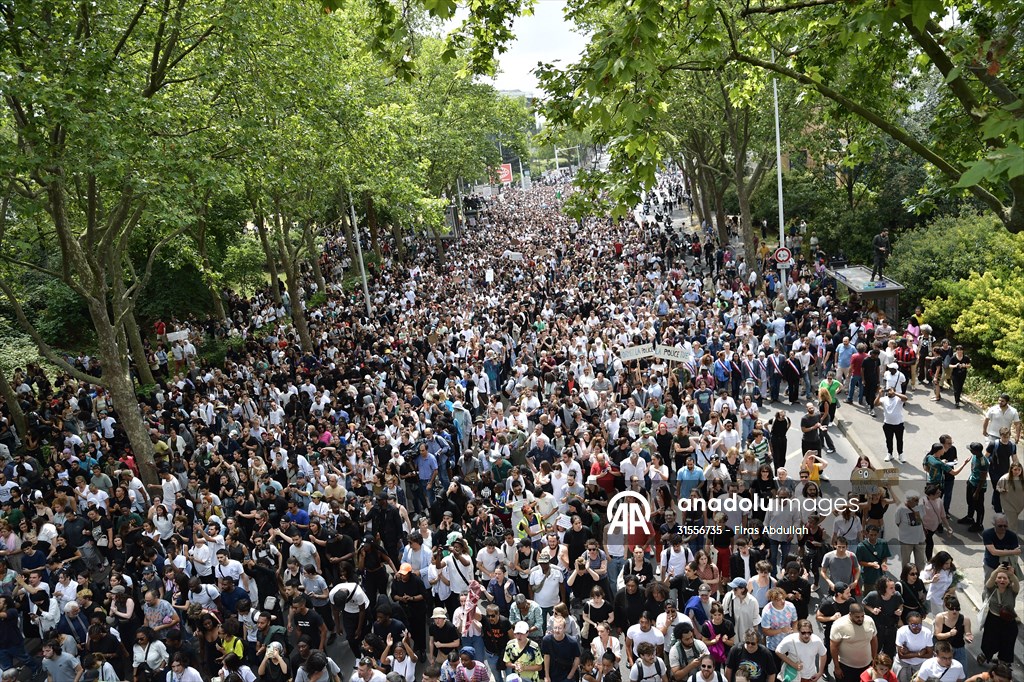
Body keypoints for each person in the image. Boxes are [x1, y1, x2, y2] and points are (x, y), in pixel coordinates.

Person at [977, 566, 1020, 666]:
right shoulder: (990, 588)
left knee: (1008, 642)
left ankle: (1003, 662)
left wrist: (1011, 574)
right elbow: (990, 580)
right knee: (990, 641)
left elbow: (1017, 584)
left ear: (1009, 581)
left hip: (1008, 621)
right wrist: (997, 570)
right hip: (993, 620)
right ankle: (986, 655)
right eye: (999, 577)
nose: (1002, 580)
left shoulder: (1012, 591)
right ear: (995, 579)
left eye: (1005, 578)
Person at [829, 603, 878, 681]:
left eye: (862, 616)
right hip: (846, 668)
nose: (860, 619)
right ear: (850, 614)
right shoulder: (839, 625)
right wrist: (837, 667)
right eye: (857, 617)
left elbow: (874, 640)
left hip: (867, 666)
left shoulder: (869, 621)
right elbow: (833, 647)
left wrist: (874, 659)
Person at [893, 612, 932, 682]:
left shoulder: (927, 632)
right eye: (913, 625)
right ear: (908, 623)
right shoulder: (901, 631)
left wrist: (908, 653)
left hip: (920, 665)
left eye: (920, 624)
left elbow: (929, 654)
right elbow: (901, 656)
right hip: (903, 664)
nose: (917, 628)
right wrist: (919, 654)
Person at [541, 616, 580, 682]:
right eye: (555, 627)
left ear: (564, 628)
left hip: (566, 674)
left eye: (560, 628)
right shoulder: (546, 640)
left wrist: (570, 675)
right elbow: (546, 657)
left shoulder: (572, 642)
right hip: (552, 674)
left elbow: (577, 658)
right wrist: (547, 676)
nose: (557, 630)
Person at [894, 493, 925, 572]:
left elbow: (922, 518)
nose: (917, 503)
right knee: (906, 562)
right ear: (908, 501)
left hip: (920, 538)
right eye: (915, 501)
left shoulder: (920, 506)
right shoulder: (900, 509)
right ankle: (905, 578)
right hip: (906, 541)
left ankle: (920, 579)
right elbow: (897, 522)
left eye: (918, 500)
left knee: (921, 562)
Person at [875, 388, 908, 464]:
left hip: (898, 424)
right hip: (887, 424)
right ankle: (890, 453)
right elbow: (875, 404)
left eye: (891, 390)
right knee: (889, 440)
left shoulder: (898, 399)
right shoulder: (884, 399)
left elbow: (905, 398)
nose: (889, 392)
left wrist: (895, 393)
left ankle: (900, 454)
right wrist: (879, 395)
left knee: (899, 440)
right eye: (888, 390)